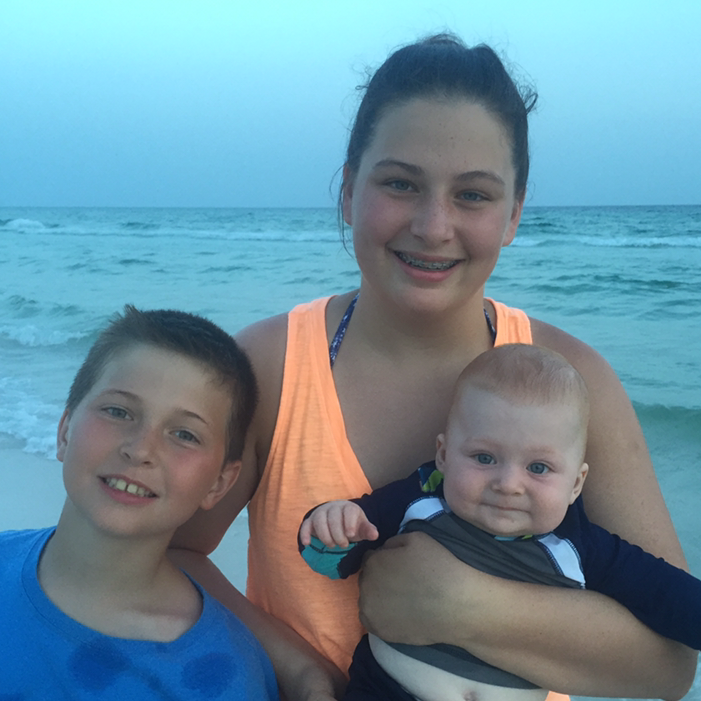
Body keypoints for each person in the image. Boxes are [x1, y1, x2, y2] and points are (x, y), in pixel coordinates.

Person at [170, 34, 697, 701]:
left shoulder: (576, 380)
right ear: (348, 191)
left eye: (472, 195)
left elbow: (667, 667)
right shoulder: (271, 365)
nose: (432, 223)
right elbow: (180, 552)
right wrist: (299, 669)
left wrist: (462, 606)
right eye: (399, 183)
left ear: (513, 214)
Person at [299, 344, 701, 700]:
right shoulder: (421, 499)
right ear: (443, 455)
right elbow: (335, 558)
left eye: (538, 468)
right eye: (485, 458)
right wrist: (332, 526)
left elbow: (668, 597)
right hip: (385, 690)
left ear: (577, 484)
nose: (508, 485)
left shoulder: (581, 547)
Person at [0, 305, 280, 700]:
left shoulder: (225, 677)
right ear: (64, 431)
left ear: (219, 483)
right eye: (118, 411)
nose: (140, 449)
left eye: (184, 434)